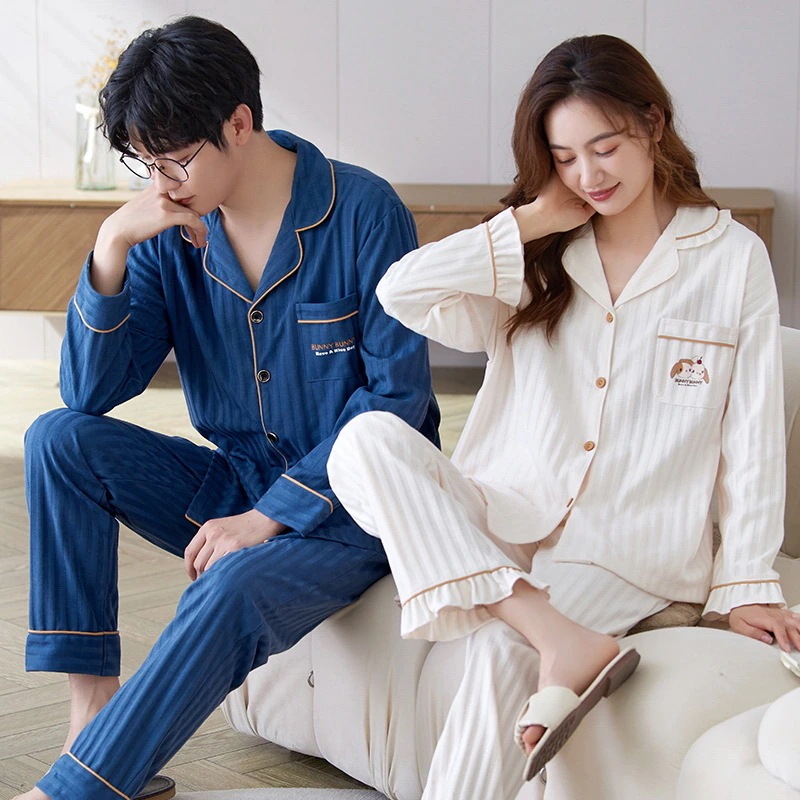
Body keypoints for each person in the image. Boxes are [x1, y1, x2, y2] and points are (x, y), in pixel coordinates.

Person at [327, 33, 800, 800]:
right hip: (502, 518)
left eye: (605, 147)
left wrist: (746, 581)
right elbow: (400, 293)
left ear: (652, 123)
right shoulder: (535, 254)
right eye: (566, 157)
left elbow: (751, 436)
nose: (589, 175)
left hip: (624, 550)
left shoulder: (730, 258)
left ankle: (542, 634)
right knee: (363, 441)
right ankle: (554, 633)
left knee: (494, 657)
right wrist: (528, 221)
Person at [17, 15, 439, 800]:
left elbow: (397, 401)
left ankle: (76, 791)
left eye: (174, 159)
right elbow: (91, 394)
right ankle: (92, 711)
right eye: (144, 162)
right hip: (236, 483)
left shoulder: (364, 211)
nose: (160, 183)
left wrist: (270, 516)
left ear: (239, 124)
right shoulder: (166, 230)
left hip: (354, 509)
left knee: (231, 584)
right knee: (57, 439)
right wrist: (111, 247)